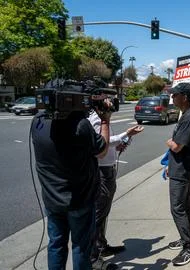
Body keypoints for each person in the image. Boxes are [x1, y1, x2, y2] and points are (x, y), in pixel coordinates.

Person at [31, 100, 111, 270]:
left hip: (52, 199)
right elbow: (102, 151)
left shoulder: (37, 121)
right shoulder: (80, 125)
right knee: (81, 246)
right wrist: (104, 120)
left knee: (56, 244)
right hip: (79, 199)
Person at [88, 110, 144, 269]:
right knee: (99, 213)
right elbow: (100, 143)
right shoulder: (96, 119)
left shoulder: (103, 118)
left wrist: (125, 139)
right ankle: (93, 255)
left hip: (107, 169)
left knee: (103, 212)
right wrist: (124, 134)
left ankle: (101, 245)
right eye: (108, 99)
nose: (111, 103)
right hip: (102, 171)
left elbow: (108, 143)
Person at [165, 82, 190, 266]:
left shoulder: (189, 118)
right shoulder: (188, 115)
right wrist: (169, 164)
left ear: (185, 97)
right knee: (186, 206)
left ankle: (189, 246)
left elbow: (178, 146)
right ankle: (186, 237)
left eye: (175, 95)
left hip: (182, 170)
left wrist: (170, 143)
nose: (172, 98)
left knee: (178, 207)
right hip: (182, 168)